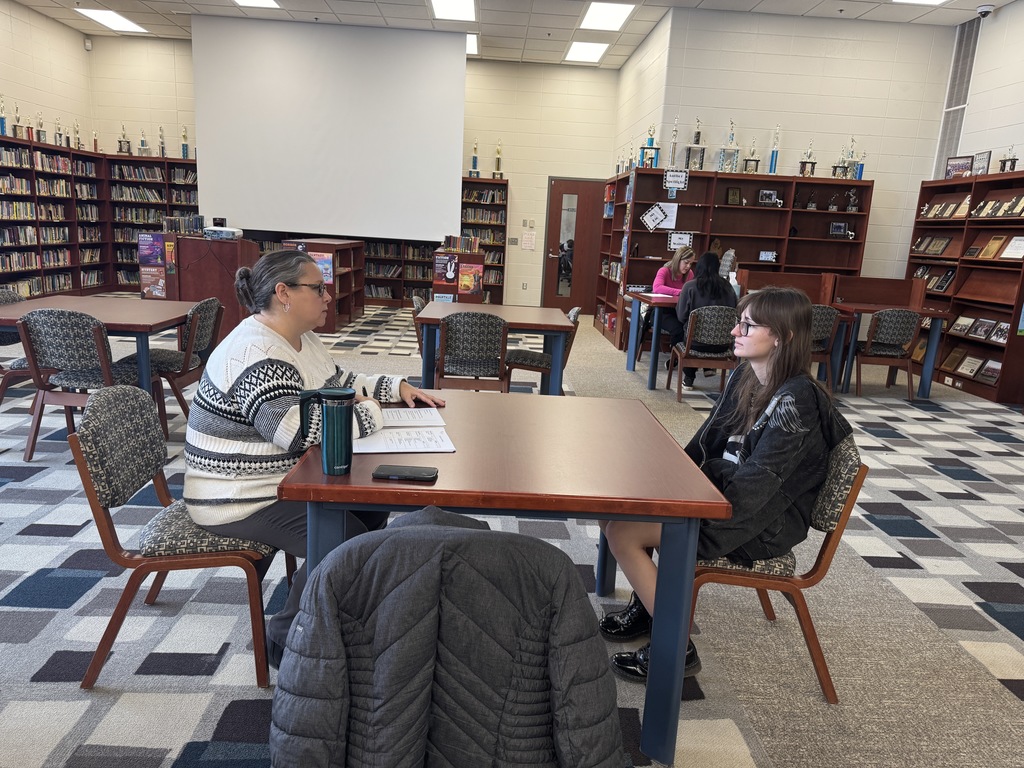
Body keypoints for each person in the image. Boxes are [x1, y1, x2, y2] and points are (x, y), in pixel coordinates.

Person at [182, 249, 444, 666]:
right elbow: (298, 432)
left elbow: (341, 382)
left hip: (283, 480)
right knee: (353, 545)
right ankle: (284, 639)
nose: (329, 296)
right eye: (318, 288)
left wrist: (395, 387)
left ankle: (337, 615)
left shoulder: (301, 339)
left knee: (372, 507)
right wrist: (371, 411)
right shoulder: (255, 352)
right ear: (283, 293)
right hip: (237, 497)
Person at [597, 286, 853, 687]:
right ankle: (650, 607)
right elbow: (706, 440)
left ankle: (676, 647)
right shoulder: (748, 376)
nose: (734, 331)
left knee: (622, 532)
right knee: (619, 503)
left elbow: (756, 490)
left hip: (758, 521)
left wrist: (693, 504)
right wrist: (665, 479)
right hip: (727, 497)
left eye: (748, 325)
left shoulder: (798, 401)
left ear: (782, 336)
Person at [673, 250, 738, 390]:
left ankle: (689, 378)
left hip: (695, 345)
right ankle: (709, 367)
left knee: (689, 334)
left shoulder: (690, 286)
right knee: (698, 336)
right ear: (718, 267)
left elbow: (681, 316)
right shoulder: (729, 288)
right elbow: (735, 312)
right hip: (723, 345)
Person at [649, 246, 696, 356]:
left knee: (691, 327)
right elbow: (657, 288)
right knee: (678, 329)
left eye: (691, 263)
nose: (688, 266)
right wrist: (680, 292)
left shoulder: (690, 274)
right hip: (661, 312)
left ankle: (685, 357)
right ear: (678, 259)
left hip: (679, 311)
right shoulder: (664, 271)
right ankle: (675, 358)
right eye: (686, 262)